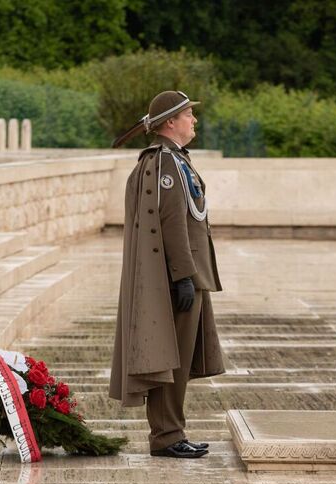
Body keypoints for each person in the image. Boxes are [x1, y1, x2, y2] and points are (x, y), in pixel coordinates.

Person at [109, 90, 225, 459]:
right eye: (189, 115)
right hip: (178, 276)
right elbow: (171, 223)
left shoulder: (175, 160)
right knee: (165, 359)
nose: (194, 120)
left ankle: (172, 432)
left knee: (175, 359)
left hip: (188, 273)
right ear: (170, 122)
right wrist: (182, 276)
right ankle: (166, 436)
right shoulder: (165, 164)